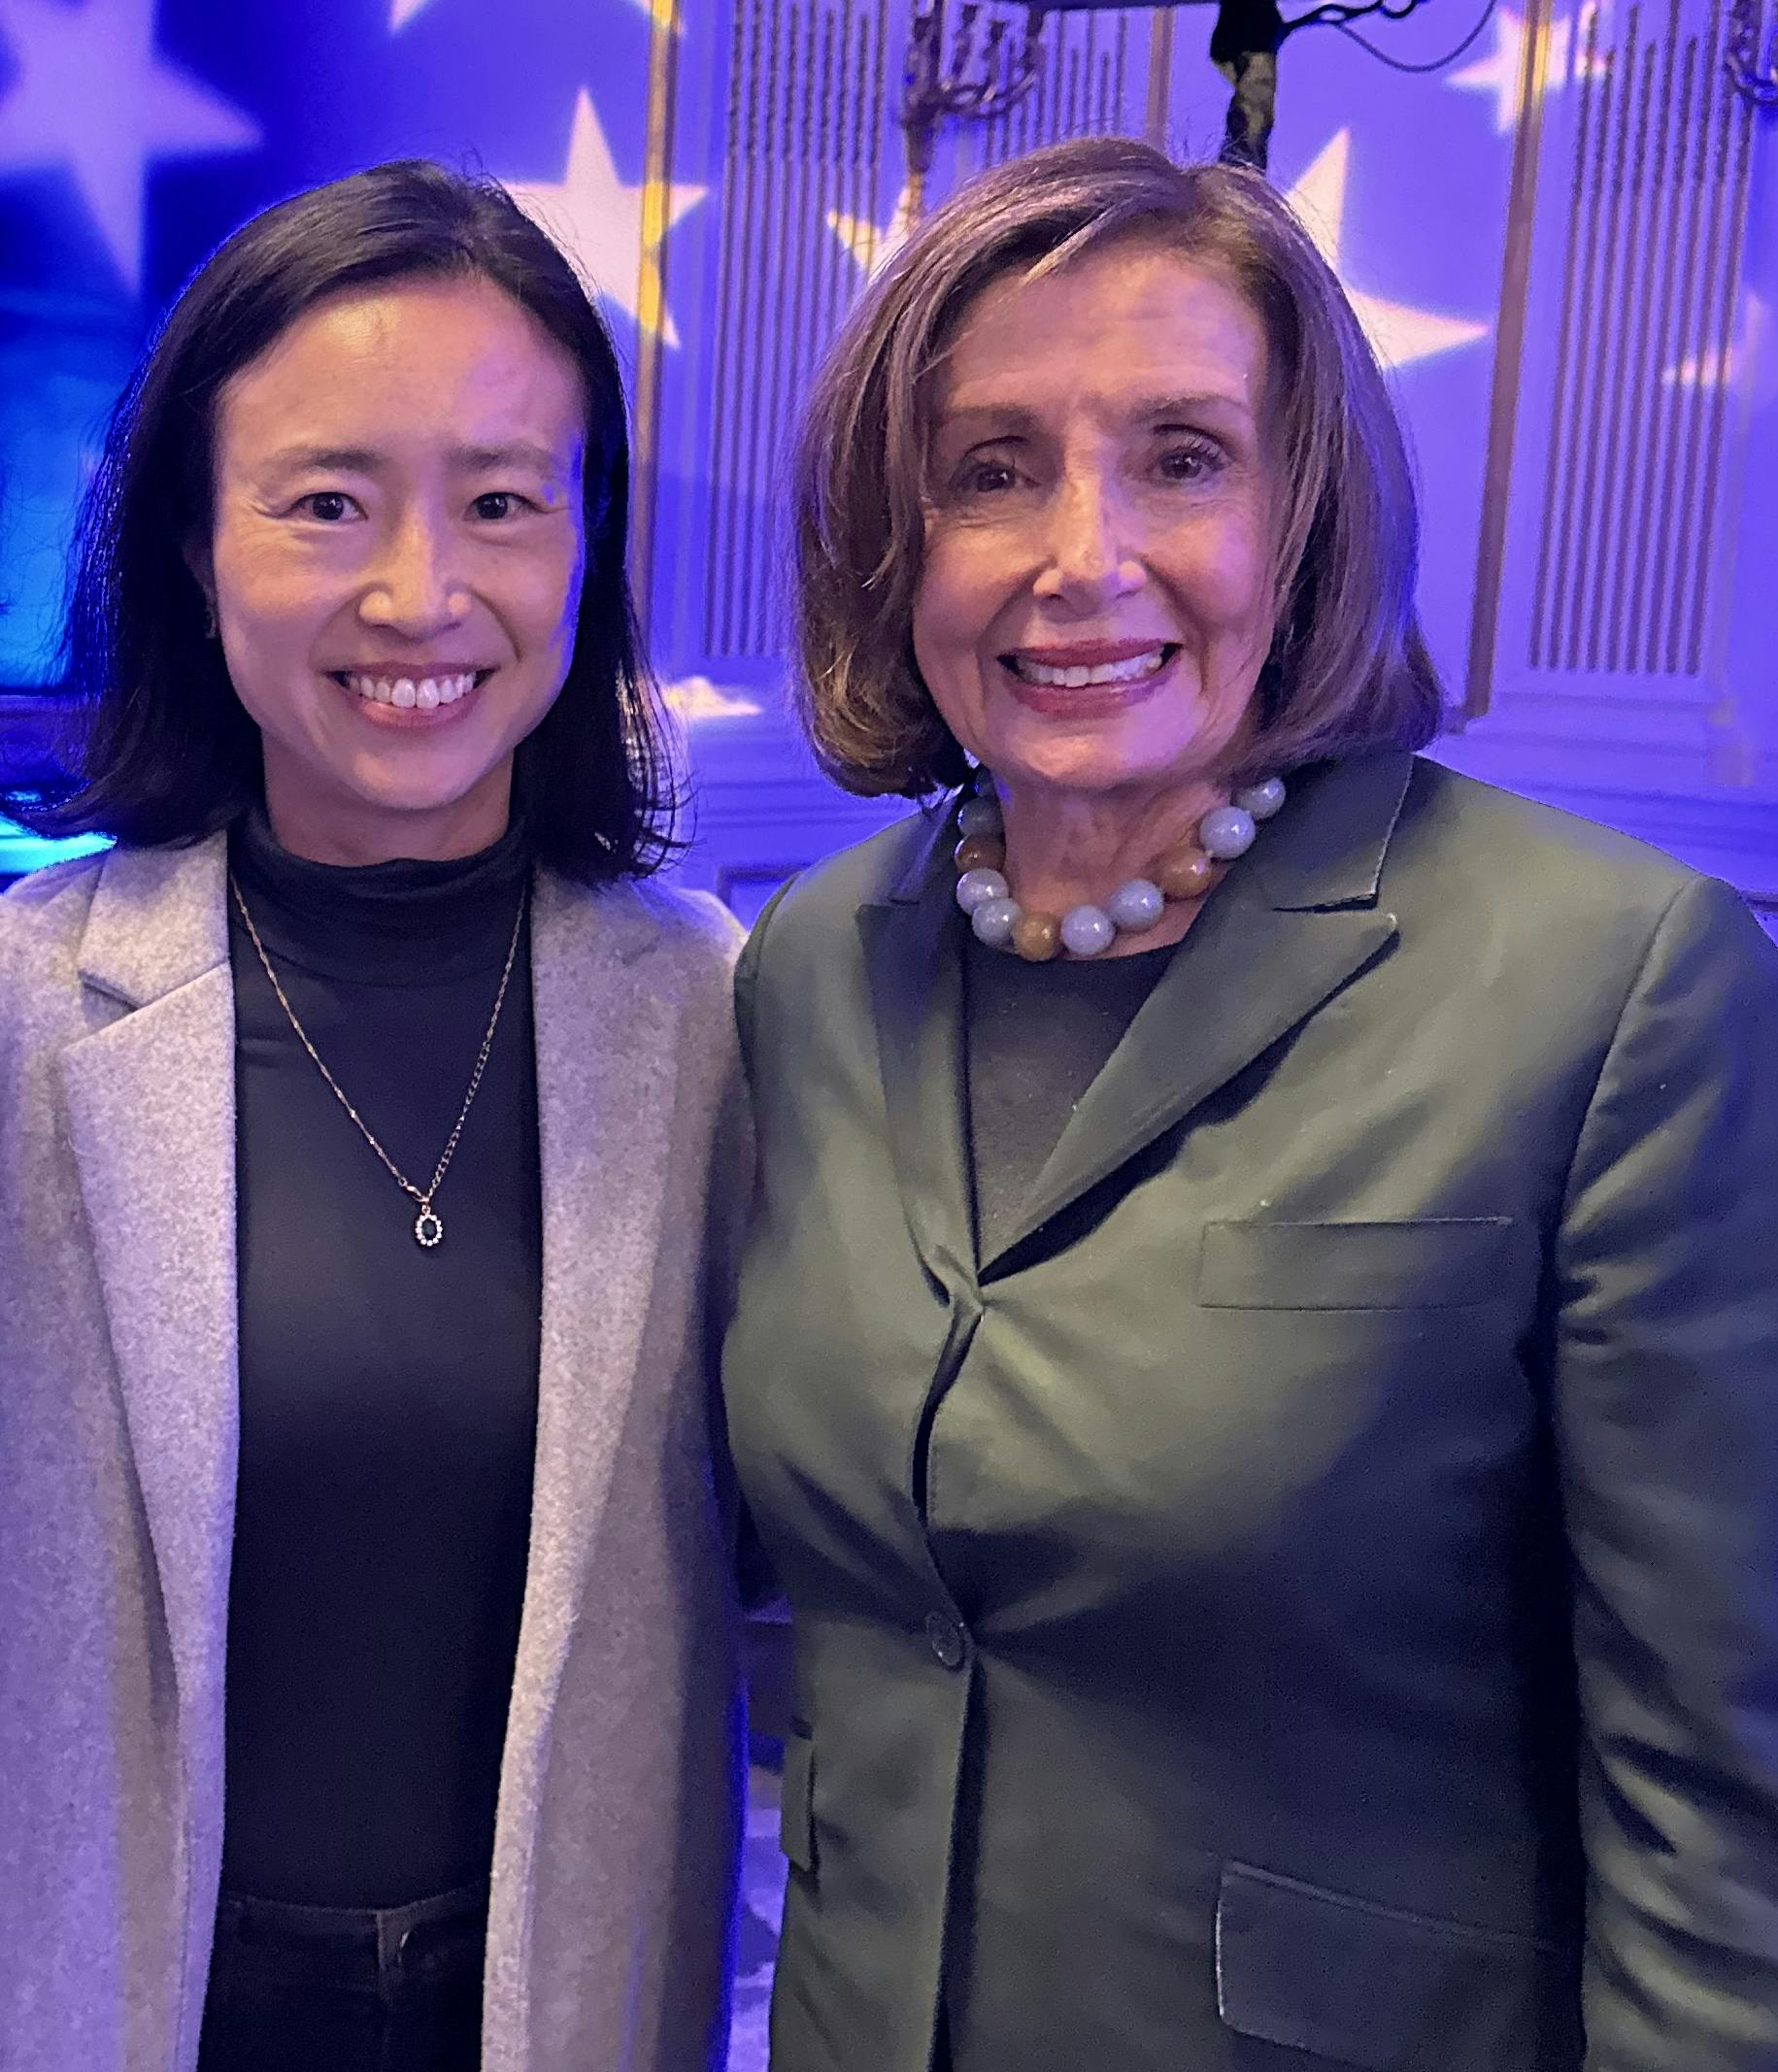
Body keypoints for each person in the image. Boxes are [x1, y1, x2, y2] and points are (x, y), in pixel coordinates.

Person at [721, 136, 1778, 2072]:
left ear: (1301, 515)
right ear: (895, 539)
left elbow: (1721, 1805)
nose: (1081, 553)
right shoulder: (810, 960)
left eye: (1182, 455)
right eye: (989, 467)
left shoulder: (1613, 982)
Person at [0, 161, 745, 2072]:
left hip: (558, 2001)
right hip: (120, 1997)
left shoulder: (718, 1015)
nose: (421, 592)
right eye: (327, 501)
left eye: (502, 503)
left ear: (587, 543)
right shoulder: (25, 1008)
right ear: (189, 538)